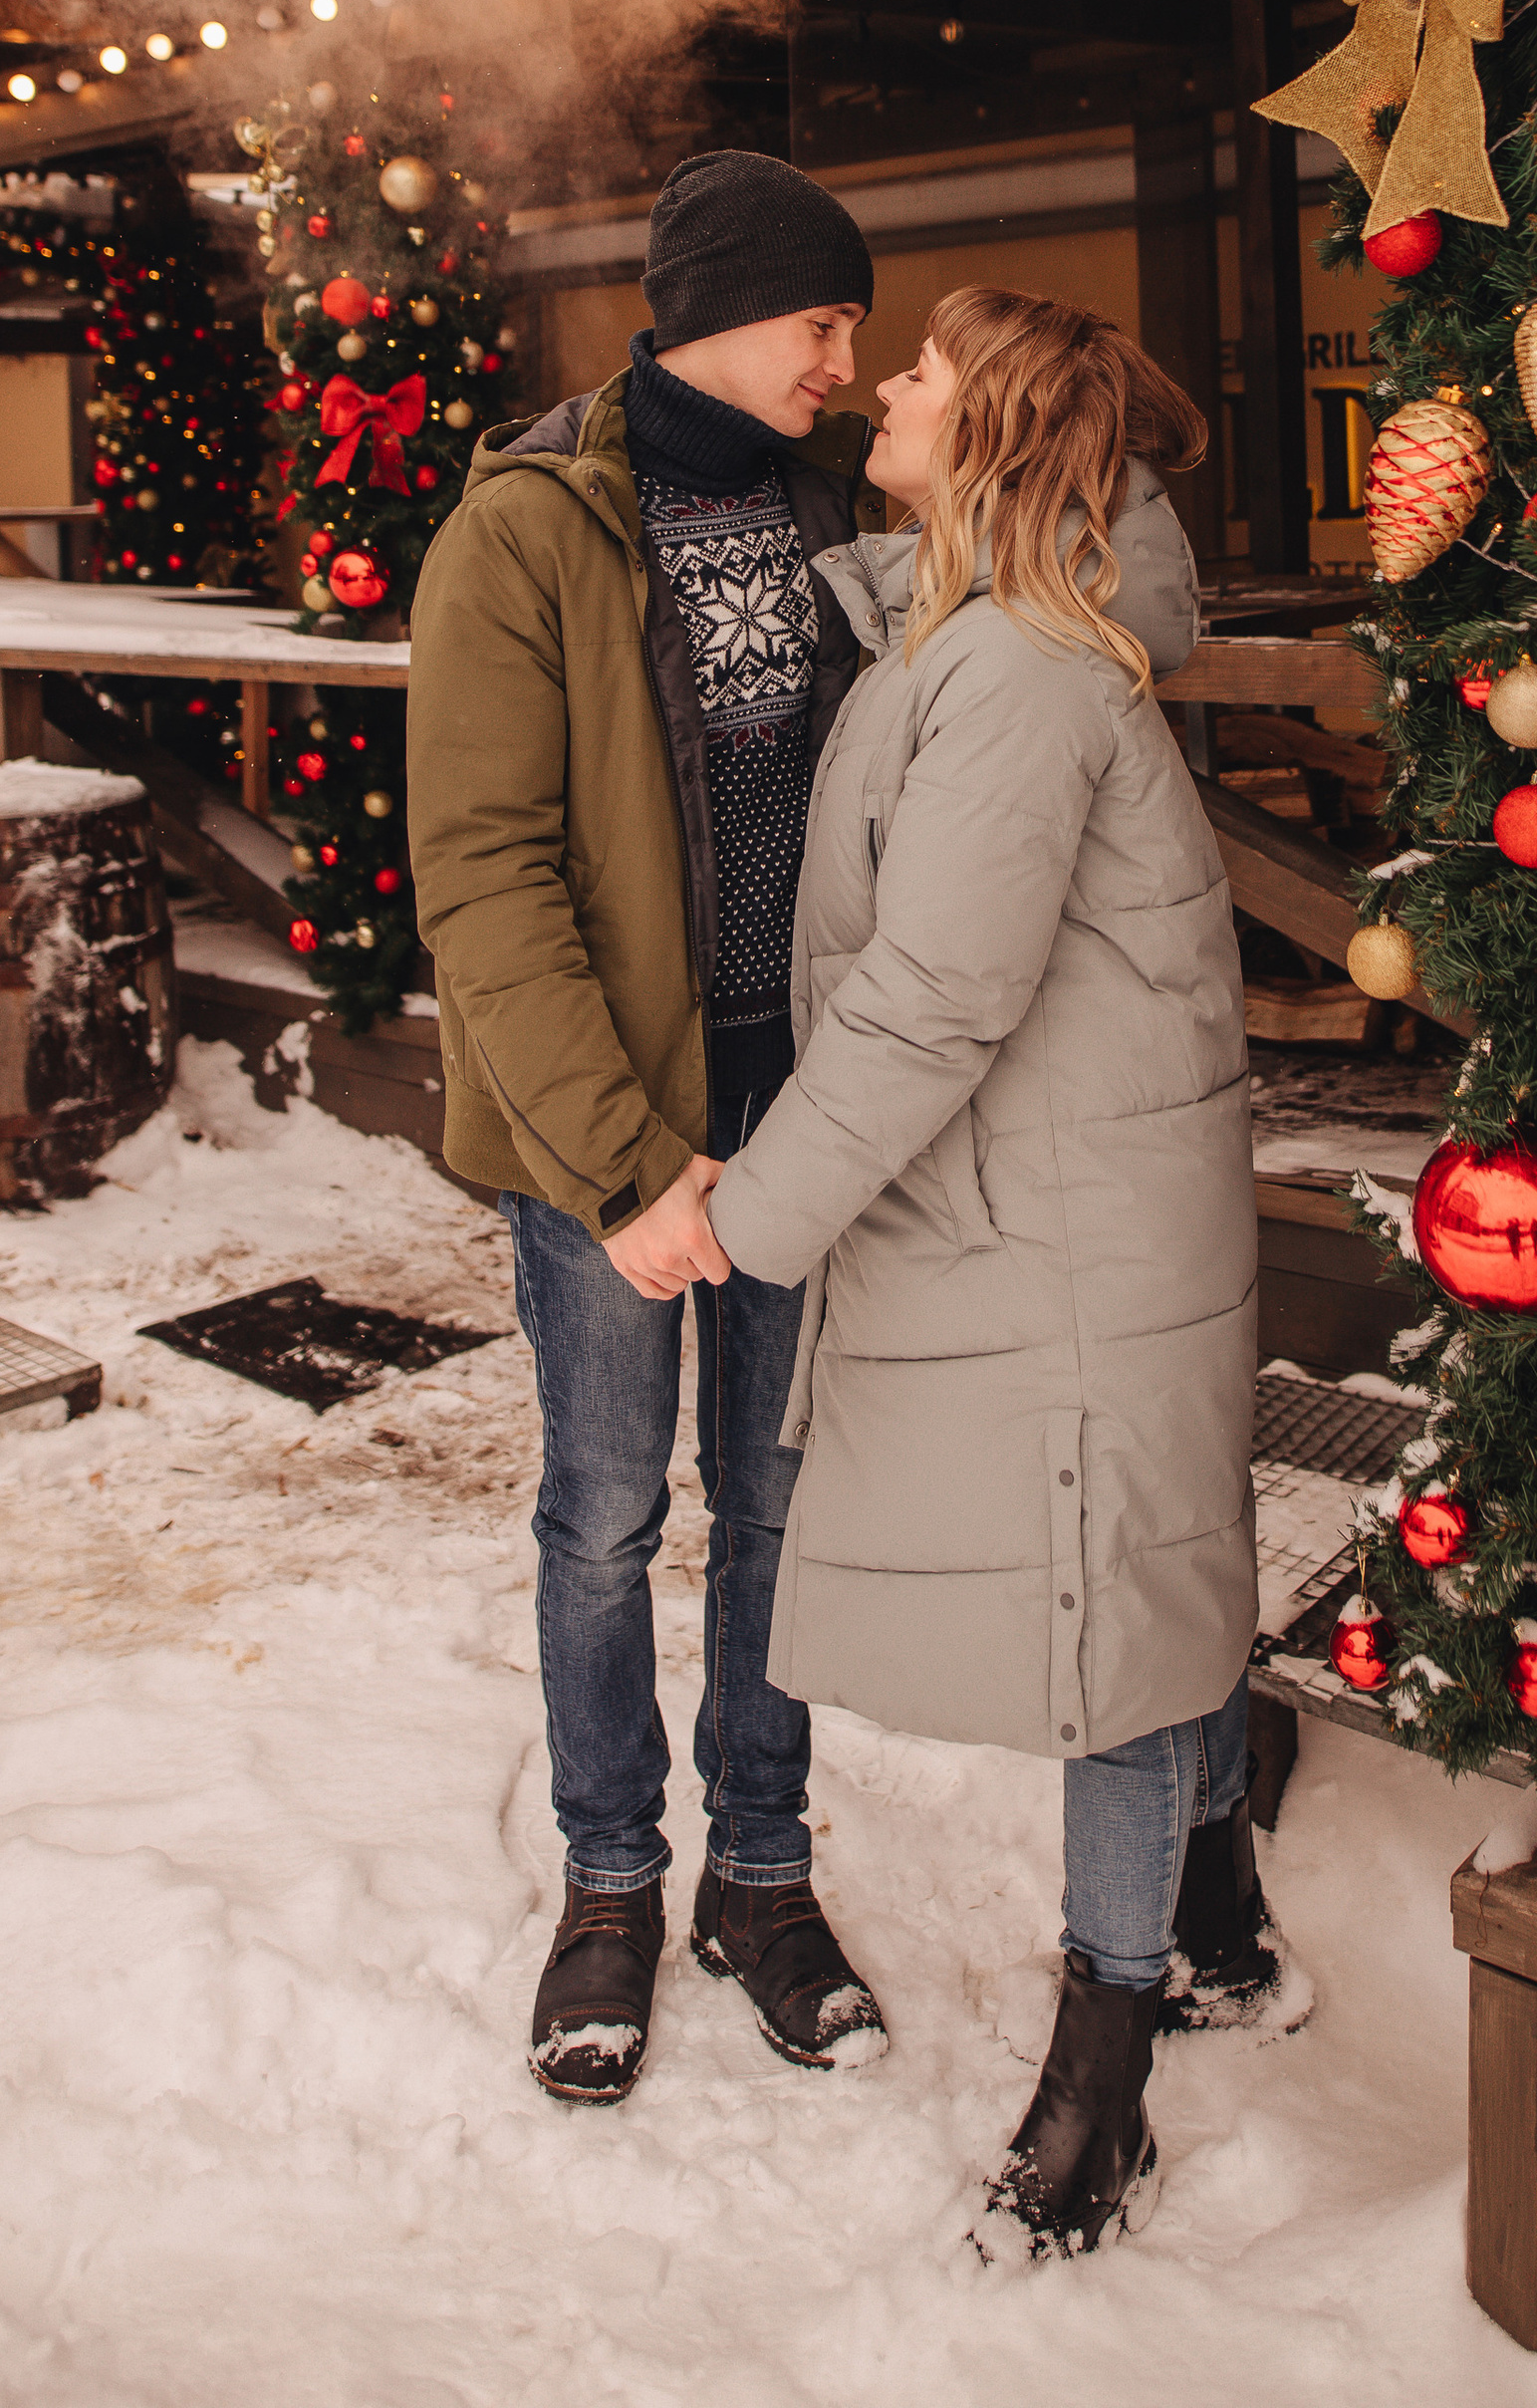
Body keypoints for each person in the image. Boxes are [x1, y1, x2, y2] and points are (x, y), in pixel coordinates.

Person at [700, 286, 1302, 2260]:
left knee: (1100, 1617)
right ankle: (1215, 1920)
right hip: (1061, 1198)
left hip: (1067, 1223)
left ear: (997, 432)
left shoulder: (1020, 672)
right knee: (1133, 1571)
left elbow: (934, 994)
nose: (885, 384)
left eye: (926, 371)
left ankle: (1099, 2080)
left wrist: (750, 1216)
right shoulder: (964, 639)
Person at [406, 149, 892, 2105]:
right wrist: (621, 1165)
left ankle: (760, 1877)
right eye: (823, 321)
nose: (847, 362)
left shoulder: (836, 505)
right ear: (721, 312)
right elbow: (483, 871)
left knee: (775, 1512)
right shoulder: (524, 534)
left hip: (798, 1115)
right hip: (601, 1136)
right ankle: (609, 1880)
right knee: (606, 1518)